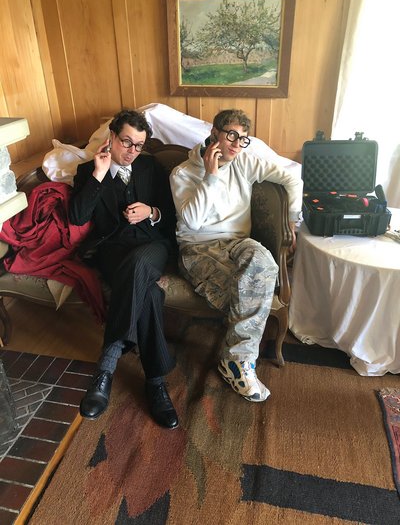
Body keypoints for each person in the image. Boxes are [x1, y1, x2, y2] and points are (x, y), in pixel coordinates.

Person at [170, 109, 303, 402]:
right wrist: (211, 176)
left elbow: (293, 176)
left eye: (242, 139)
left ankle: (235, 359)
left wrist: (293, 221)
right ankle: (238, 363)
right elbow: (193, 221)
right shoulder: (182, 173)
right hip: (198, 248)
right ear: (214, 133)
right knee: (253, 289)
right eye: (231, 135)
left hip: (238, 244)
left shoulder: (245, 162)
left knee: (264, 262)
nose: (236, 144)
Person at [69, 109, 179, 429]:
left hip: (152, 246)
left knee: (140, 264)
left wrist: (151, 212)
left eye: (138, 145)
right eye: (126, 142)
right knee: (149, 294)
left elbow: (171, 216)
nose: (132, 151)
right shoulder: (89, 171)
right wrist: (99, 174)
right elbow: (77, 217)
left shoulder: (151, 168)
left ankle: (106, 367)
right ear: (112, 138)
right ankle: (155, 383)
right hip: (112, 251)